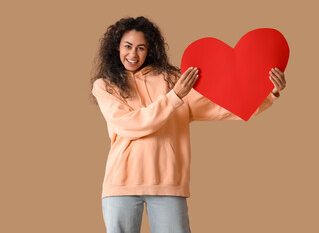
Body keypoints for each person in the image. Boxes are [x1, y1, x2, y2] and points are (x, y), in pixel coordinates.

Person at [90, 16, 286, 233]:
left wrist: (268, 93)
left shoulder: (174, 80)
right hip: (120, 185)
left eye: (141, 47)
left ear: (149, 49)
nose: (133, 54)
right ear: (116, 47)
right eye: (127, 46)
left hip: (169, 183)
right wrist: (174, 98)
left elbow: (222, 107)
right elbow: (129, 125)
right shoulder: (105, 86)